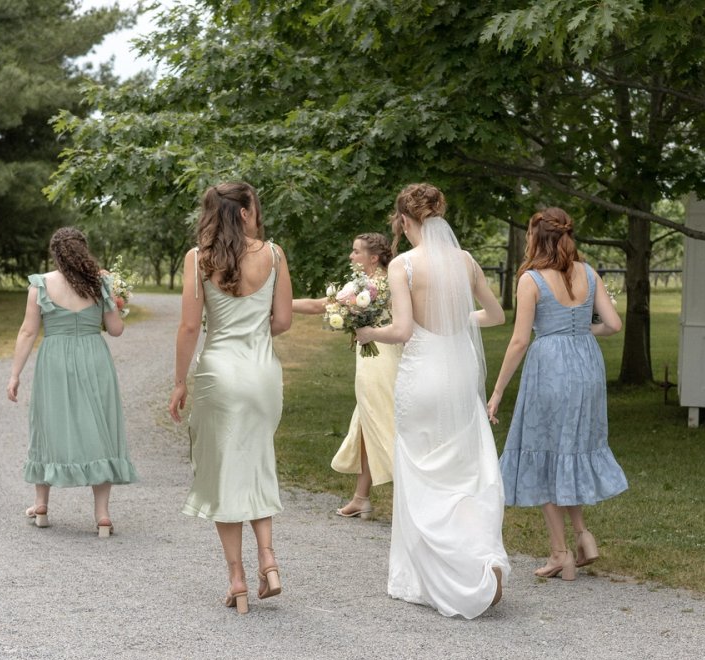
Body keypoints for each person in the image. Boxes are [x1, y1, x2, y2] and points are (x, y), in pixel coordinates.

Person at [356, 183, 510, 619]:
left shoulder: (403, 265)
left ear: (404, 221)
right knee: (463, 468)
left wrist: (368, 333)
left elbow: (402, 331)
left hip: (422, 375)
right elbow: (496, 317)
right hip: (460, 376)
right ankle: (478, 561)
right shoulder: (465, 262)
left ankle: (427, 576)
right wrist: (457, 316)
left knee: (421, 470)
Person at [169, 181, 293, 615]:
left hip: (219, 374)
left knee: (222, 474)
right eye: (255, 206)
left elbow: (189, 327)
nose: (258, 212)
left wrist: (180, 381)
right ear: (243, 212)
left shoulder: (198, 258)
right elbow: (282, 320)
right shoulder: (274, 255)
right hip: (261, 373)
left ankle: (238, 580)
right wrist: (255, 329)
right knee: (257, 461)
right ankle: (269, 560)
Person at [486, 206, 628, 581]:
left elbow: (518, 341)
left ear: (537, 237)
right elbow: (613, 324)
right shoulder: (590, 273)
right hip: (587, 368)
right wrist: (580, 331)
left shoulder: (531, 279)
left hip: (550, 368)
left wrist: (498, 391)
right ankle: (584, 536)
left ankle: (559, 553)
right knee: (570, 452)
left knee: (547, 455)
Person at [7, 227, 138, 537]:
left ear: (56, 253)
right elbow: (116, 329)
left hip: (54, 361)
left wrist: (14, 375)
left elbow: (28, 332)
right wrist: (115, 305)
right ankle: (102, 516)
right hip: (94, 359)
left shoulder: (40, 285)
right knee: (100, 427)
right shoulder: (100, 284)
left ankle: (41, 506)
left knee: (48, 425)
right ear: (84, 250)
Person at [292, 233, 400, 519]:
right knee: (367, 423)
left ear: (373, 257)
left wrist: (279, 304)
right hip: (388, 354)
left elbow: (319, 306)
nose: (351, 257)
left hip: (378, 361)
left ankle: (412, 497)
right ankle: (361, 498)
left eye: (355, 252)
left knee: (383, 423)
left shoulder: (370, 286)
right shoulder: (390, 278)